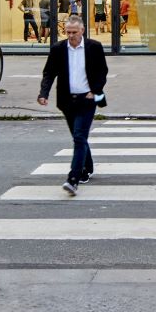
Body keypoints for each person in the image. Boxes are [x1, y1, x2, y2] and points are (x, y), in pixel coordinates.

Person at [37, 16, 108, 196]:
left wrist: (95, 91)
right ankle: (88, 167)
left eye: (74, 32)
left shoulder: (94, 47)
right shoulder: (58, 49)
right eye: (68, 32)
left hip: (87, 99)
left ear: (82, 31)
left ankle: (73, 179)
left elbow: (102, 71)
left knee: (79, 136)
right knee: (79, 137)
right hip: (67, 101)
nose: (70, 36)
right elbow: (49, 73)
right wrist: (43, 94)